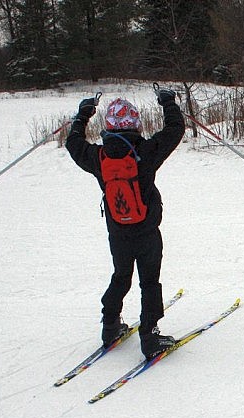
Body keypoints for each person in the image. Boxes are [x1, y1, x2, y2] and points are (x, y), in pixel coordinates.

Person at [65, 87, 185, 359]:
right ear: (136, 123)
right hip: (147, 232)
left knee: (121, 276)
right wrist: (167, 101)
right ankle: (150, 337)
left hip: (118, 233)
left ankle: (110, 327)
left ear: (108, 126)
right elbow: (175, 130)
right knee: (149, 281)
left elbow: (73, 143)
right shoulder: (146, 152)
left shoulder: (99, 157)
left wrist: (83, 114)